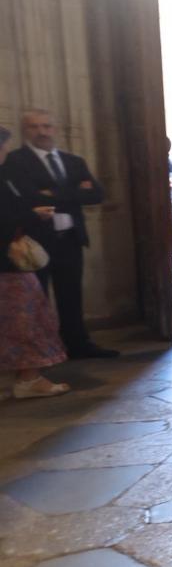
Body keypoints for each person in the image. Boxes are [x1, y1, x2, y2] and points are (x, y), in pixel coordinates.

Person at [4, 109, 117, 358]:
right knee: (37, 298)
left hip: (70, 238)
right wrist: (74, 191)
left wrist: (52, 194)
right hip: (36, 240)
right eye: (34, 127)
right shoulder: (15, 160)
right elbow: (28, 196)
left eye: (46, 126)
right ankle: (42, 351)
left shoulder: (73, 161)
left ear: (54, 129)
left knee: (71, 295)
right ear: (25, 131)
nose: (42, 132)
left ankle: (77, 344)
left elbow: (95, 194)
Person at [1, 124, 70, 398]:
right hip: (8, 265)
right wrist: (33, 216)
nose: (6, 149)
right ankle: (29, 379)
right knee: (27, 321)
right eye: (2, 144)